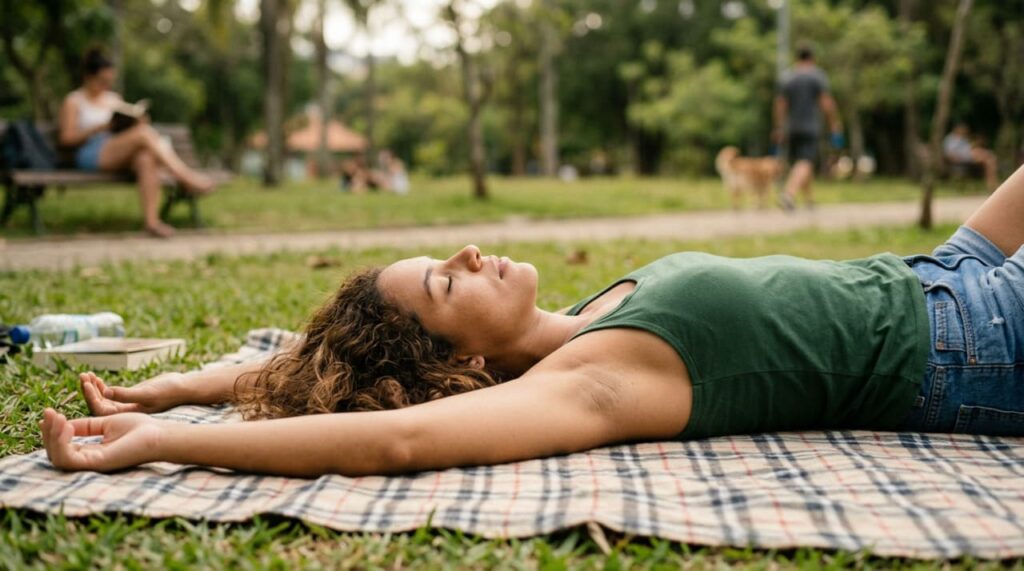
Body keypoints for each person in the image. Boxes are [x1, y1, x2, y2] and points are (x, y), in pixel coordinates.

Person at [39, 164, 1024, 477]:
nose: (468, 253)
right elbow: (398, 431)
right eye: (443, 283)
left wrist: (179, 383)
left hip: (943, 269)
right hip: (976, 343)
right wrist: (160, 440)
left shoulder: (582, 320)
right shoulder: (592, 381)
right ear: (458, 353)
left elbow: (311, 361)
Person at [58, 48, 215, 238]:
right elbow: (66, 139)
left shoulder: (112, 99)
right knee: (142, 135)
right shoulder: (74, 101)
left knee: (145, 157)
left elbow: (123, 128)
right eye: (102, 81)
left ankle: (152, 222)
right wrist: (99, 128)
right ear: (88, 76)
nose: (106, 86)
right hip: (91, 154)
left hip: (117, 150)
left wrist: (135, 121)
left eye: (109, 81)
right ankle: (185, 176)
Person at [772, 44, 843, 211]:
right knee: (805, 162)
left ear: (797, 58)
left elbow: (780, 105)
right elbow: (826, 102)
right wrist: (834, 124)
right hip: (810, 126)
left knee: (802, 163)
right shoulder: (817, 76)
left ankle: (809, 201)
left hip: (791, 127)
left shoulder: (787, 77)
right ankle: (788, 194)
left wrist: (779, 127)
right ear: (812, 58)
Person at [944, 123, 999, 190]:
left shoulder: (962, 138)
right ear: (957, 129)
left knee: (989, 158)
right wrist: (960, 157)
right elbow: (949, 154)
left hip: (968, 155)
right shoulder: (950, 139)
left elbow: (969, 148)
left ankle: (991, 183)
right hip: (963, 158)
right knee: (988, 159)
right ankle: (991, 184)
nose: (964, 131)